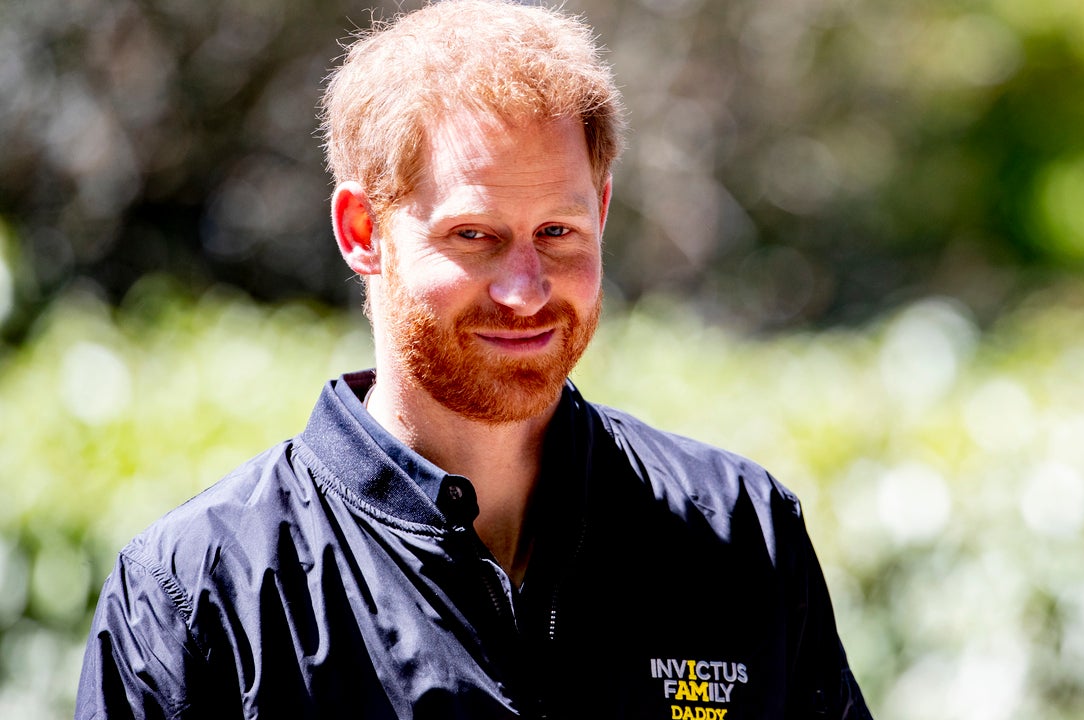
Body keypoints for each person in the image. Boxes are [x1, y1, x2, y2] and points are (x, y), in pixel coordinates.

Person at [75, 1, 874, 717]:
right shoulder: (198, 597)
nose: (525, 290)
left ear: (600, 211)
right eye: (473, 236)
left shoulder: (741, 535)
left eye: (557, 232)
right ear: (362, 232)